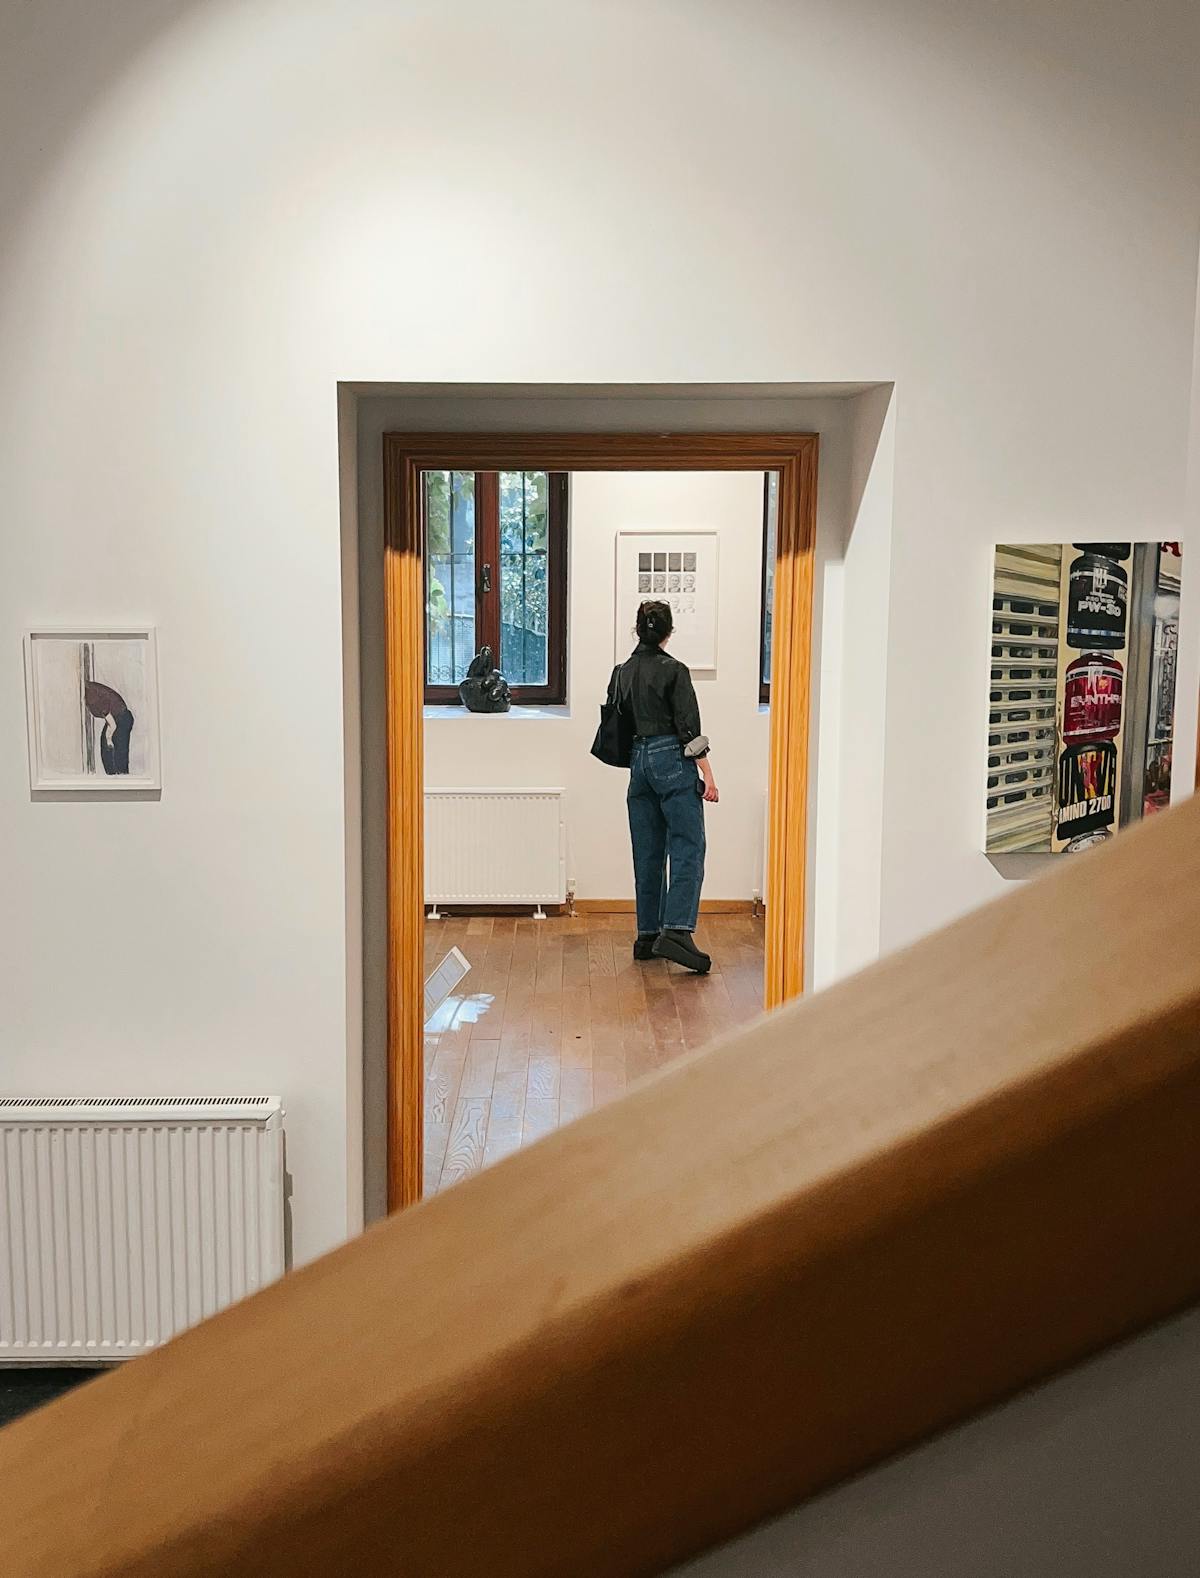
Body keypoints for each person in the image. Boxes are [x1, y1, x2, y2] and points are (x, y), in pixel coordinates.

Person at [614, 600, 719, 973]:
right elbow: (688, 728)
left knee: (648, 851)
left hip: (638, 763)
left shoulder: (623, 671)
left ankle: (648, 934)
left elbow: (618, 723)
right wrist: (707, 773)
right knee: (688, 846)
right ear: (668, 633)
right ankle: (676, 931)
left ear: (638, 629)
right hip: (671, 758)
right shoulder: (675, 671)